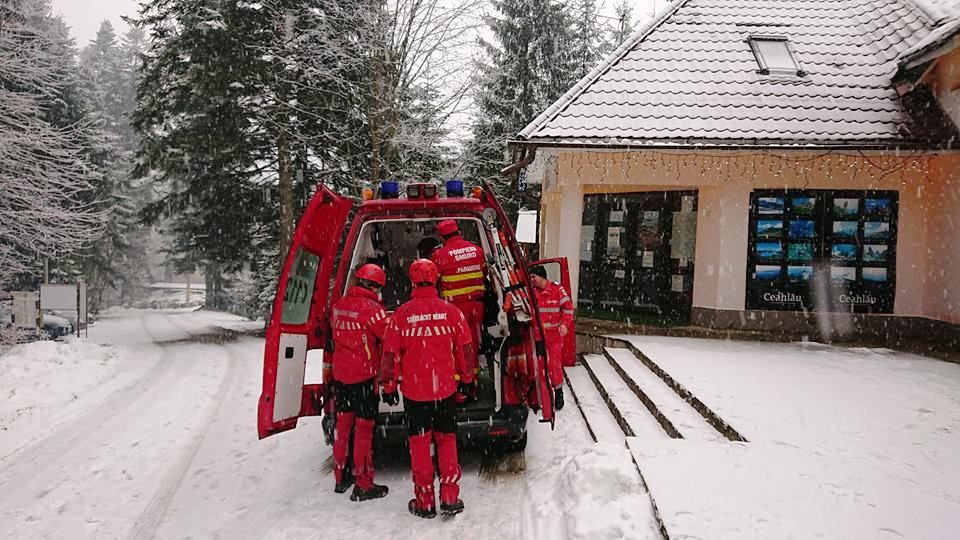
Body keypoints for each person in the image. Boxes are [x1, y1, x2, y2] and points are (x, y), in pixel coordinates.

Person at [380, 259, 475, 519]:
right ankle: (450, 497)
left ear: (412, 281)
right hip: (445, 391)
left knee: (420, 445)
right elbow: (466, 350)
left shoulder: (401, 316)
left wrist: (389, 386)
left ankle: (425, 501)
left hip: (415, 394)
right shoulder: (452, 312)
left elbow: (389, 355)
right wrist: (467, 379)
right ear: (436, 280)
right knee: (447, 441)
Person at [324, 264, 391, 501]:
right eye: (378, 288)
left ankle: (340, 478)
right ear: (374, 286)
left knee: (343, 428)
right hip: (364, 378)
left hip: (341, 378)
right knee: (363, 431)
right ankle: (363, 484)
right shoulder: (373, 311)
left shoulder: (339, 306)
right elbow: (389, 337)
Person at [431, 219, 486, 397]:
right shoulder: (477, 250)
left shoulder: (439, 255)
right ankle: (472, 383)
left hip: (455, 309)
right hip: (477, 306)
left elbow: (432, 280)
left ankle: (459, 389)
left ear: (442, 237)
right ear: (459, 232)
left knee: (456, 348)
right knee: (472, 345)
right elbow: (485, 273)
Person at [528, 265, 573, 411]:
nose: (531, 280)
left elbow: (568, 310)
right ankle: (541, 397)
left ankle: (558, 392)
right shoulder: (530, 292)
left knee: (554, 366)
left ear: (542, 276)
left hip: (554, 337)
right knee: (538, 368)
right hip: (537, 337)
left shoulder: (557, 290)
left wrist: (564, 325)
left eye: (533, 277)